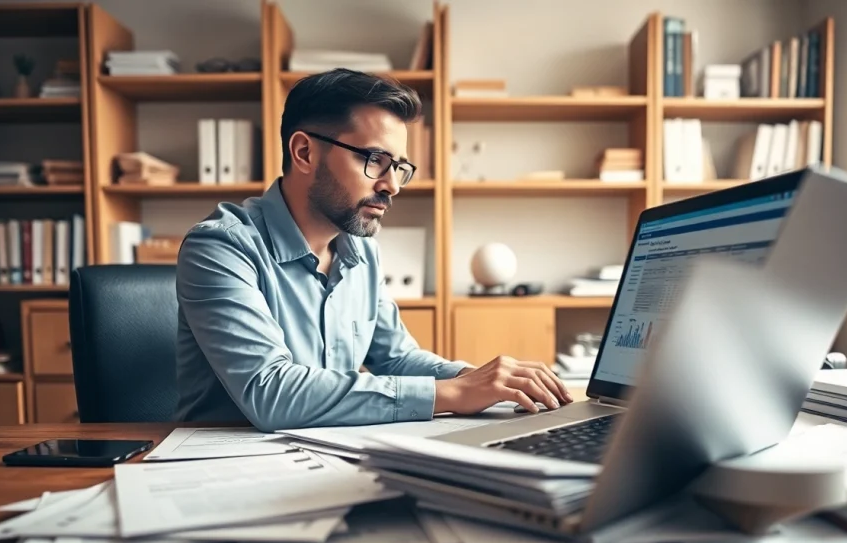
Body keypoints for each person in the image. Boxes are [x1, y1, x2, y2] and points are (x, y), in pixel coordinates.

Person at [175, 68, 572, 432]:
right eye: (374, 160)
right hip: (224, 464)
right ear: (304, 152)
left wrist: (486, 380)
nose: (391, 185)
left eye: (398, 166)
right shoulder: (220, 247)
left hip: (327, 453)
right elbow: (271, 391)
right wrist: (454, 393)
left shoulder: (361, 251)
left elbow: (397, 359)